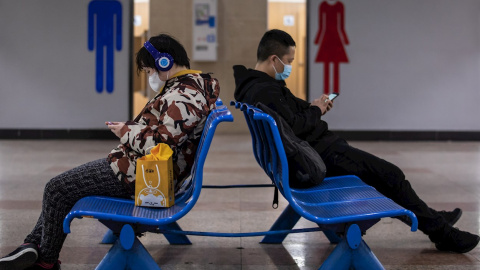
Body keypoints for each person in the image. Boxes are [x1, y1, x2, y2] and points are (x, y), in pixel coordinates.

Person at [233, 29, 479, 253]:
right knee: (391, 175)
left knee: (384, 177)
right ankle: (442, 233)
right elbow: (295, 126)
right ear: (274, 59)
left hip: (314, 154)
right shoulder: (265, 91)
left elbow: (291, 119)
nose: (289, 67)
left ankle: (432, 217)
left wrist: (314, 107)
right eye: (288, 62)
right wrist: (316, 111)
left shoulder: (257, 86)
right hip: (319, 159)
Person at [0, 33, 220, 270]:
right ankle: (31, 247)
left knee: (57, 189)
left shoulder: (185, 94)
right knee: (61, 188)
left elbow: (162, 143)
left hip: (143, 176)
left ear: (164, 62)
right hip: (138, 168)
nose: (149, 76)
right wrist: (131, 129)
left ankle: (45, 262)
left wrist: (126, 131)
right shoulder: (187, 87)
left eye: (148, 71)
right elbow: (164, 133)